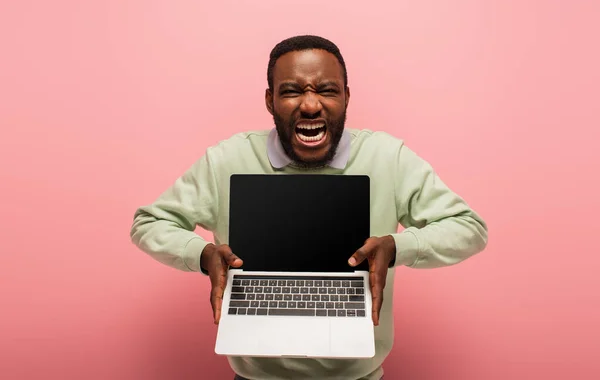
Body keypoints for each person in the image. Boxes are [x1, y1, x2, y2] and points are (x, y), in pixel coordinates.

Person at [130, 35, 488, 380]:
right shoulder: (225, 160)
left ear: (346, 97)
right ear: (270, 101)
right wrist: (202, 254)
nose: (310, 104)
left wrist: (398, 248)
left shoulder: (388, 158)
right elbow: (150, 222)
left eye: (326, 90)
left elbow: (468, 228)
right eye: (292, 90)